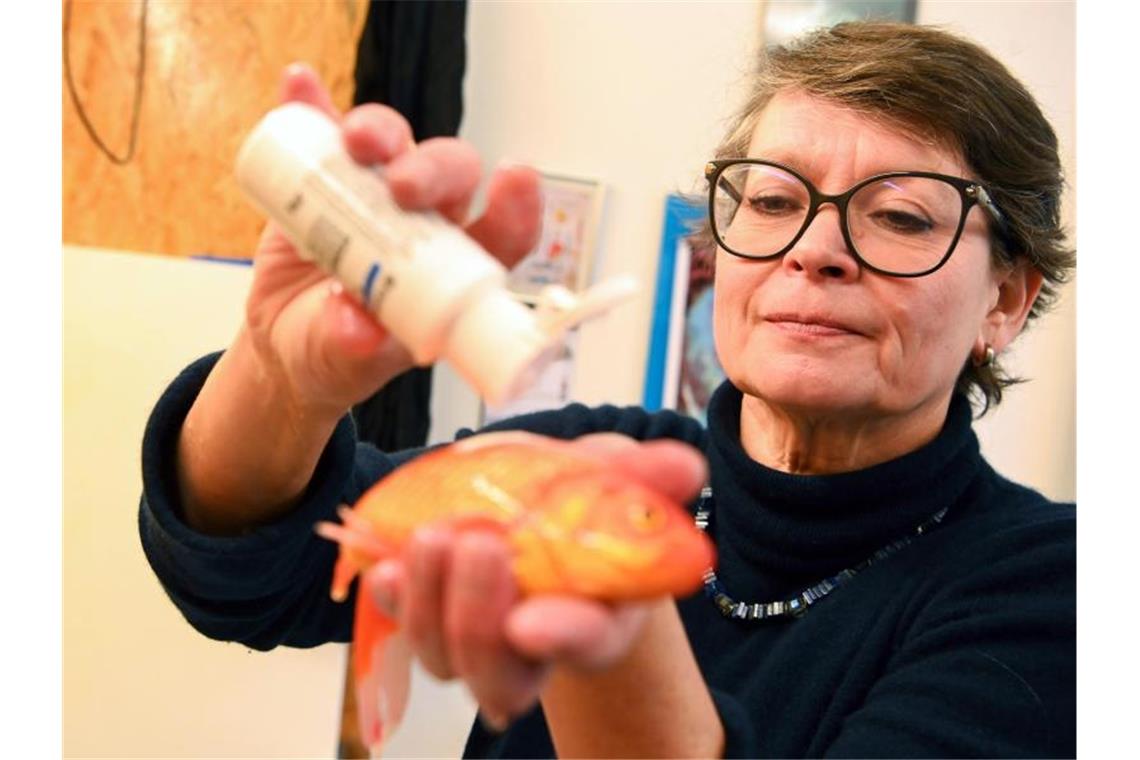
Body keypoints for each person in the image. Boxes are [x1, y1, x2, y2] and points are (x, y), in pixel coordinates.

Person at [140, 21, 1075, 758]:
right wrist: (283, 374)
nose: (814, 249)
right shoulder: (587, 460)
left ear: (1005, 300)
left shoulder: (1057, 589)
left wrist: (606, 629)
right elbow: (249, 571)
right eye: (773, 200)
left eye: (901, 216)